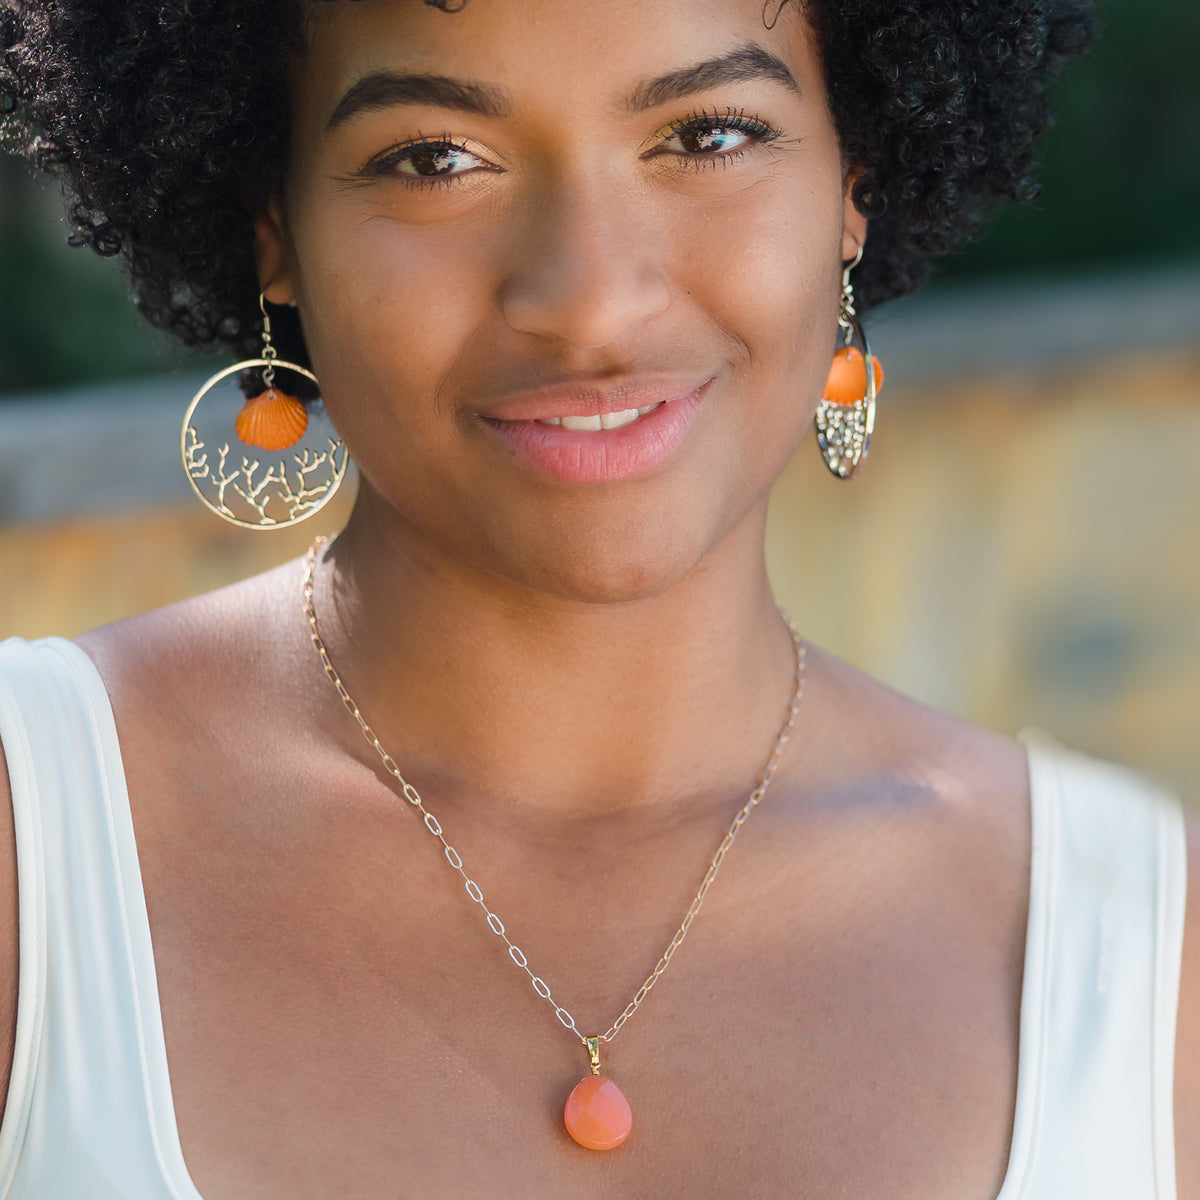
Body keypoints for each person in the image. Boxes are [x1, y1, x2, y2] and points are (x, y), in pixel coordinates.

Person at [0, 0, 1195, 1196]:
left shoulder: (1136, 946)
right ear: (275, 226)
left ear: (851, 187)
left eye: (708, 136)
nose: (591, 301)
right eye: (434, 159)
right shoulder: (33, 847)